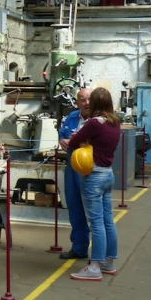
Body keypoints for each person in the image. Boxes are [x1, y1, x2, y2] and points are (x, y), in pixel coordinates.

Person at [68, 87, 122, 281]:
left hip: (94, 176)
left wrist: (81, 143)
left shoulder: (94, 123)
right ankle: (109, 261)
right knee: (108, 220)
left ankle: (95, 266)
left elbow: (74, 140)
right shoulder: (115, 122)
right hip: (108, 175)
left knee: (96, 223)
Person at [57, 88, 91, 260]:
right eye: (82, 100)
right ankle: (79, 247)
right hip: (72, 167)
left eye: (89, 99)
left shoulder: (97, 120)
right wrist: (62, 140)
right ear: (77, 102)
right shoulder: (72, 117)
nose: (86, 103)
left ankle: (101, 255)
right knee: (75, 206)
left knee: (94, 211)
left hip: (91, 169)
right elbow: (62, 135)